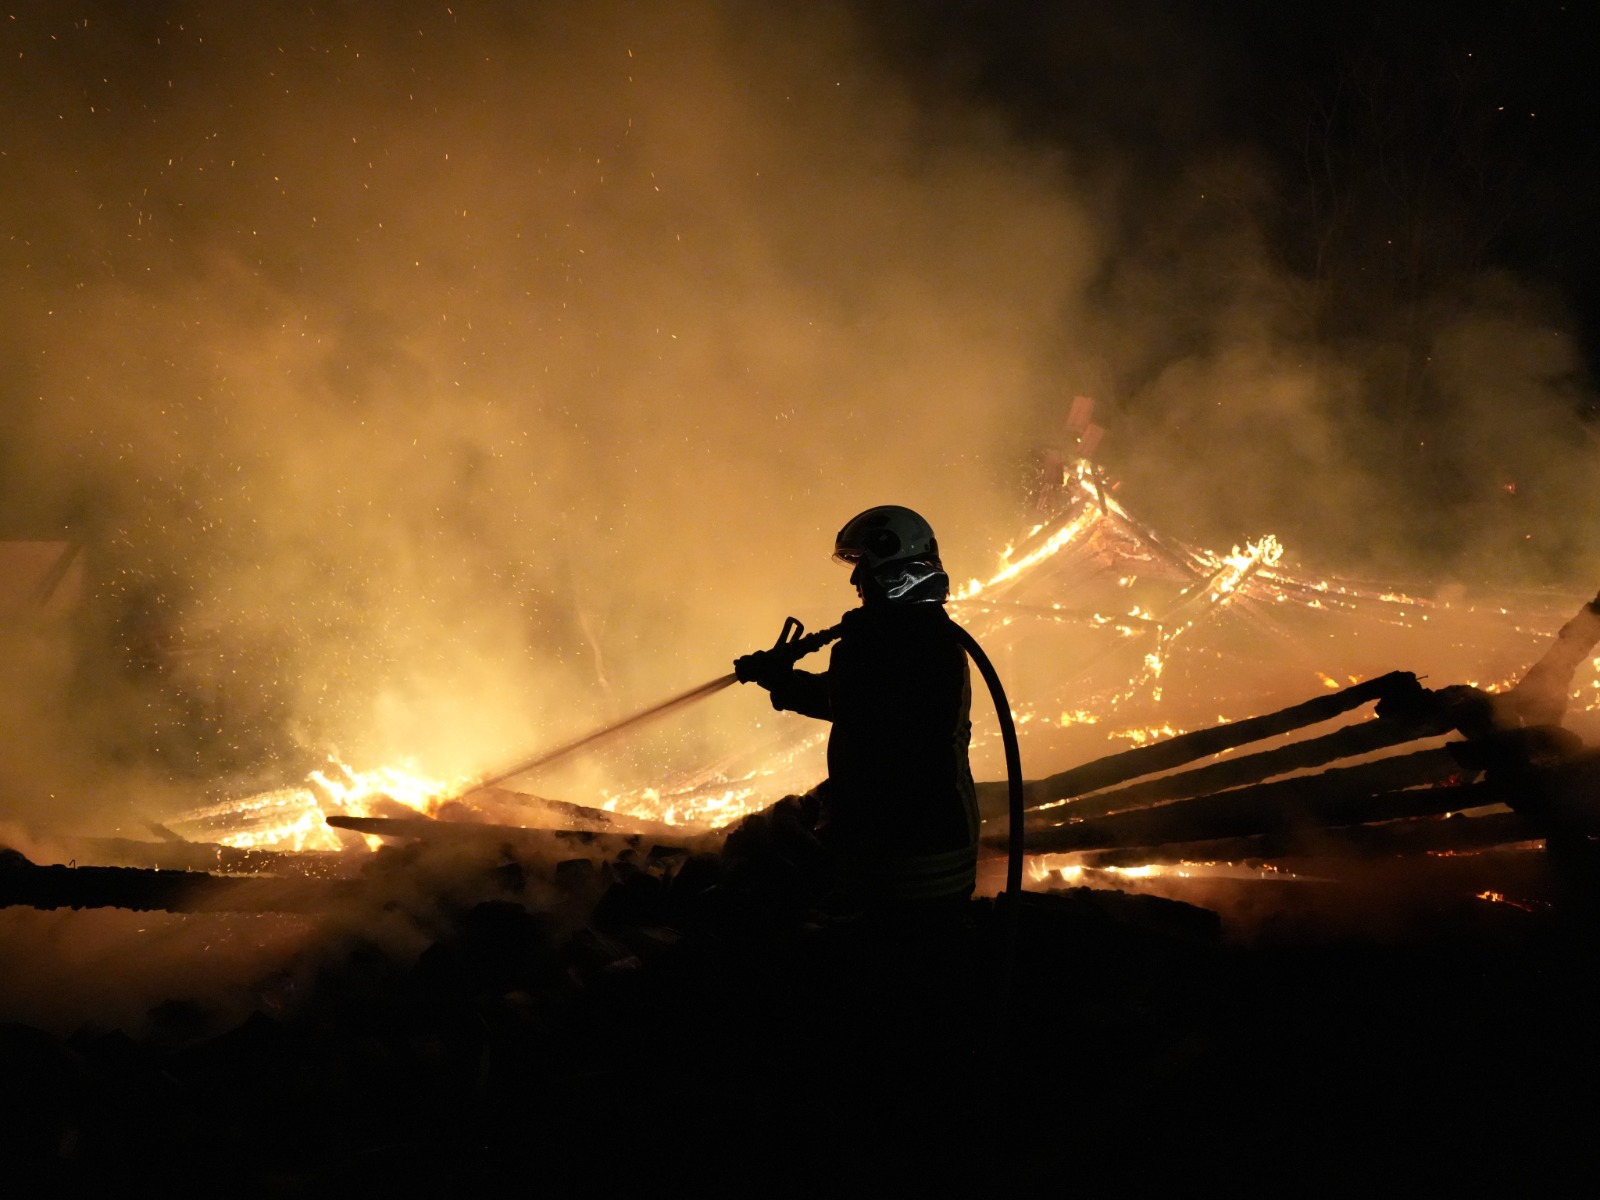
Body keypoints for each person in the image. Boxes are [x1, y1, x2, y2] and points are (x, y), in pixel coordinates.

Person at [732, 505, 979, 911]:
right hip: (943, 846)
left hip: (901, 862)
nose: (854, 578)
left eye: (861, 565)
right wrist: (782, 681)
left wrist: (778, 679)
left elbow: (849, 701)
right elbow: (863, 700)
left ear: (887, 569)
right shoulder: (933, 636)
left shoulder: (880, 645)